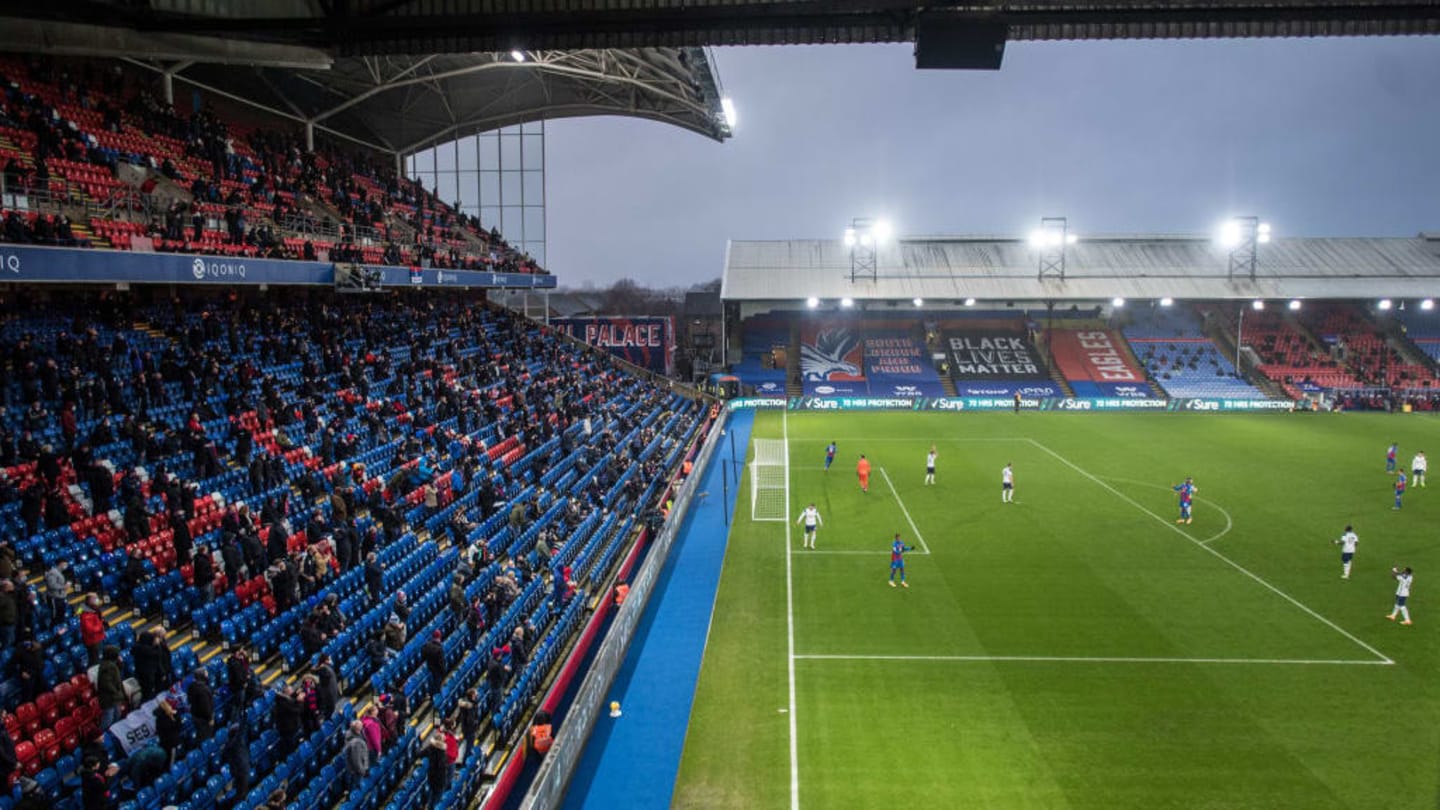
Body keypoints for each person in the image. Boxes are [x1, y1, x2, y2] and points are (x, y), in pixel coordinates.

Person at [96, 645, 124, 728]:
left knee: (117, 715)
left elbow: (120, 669)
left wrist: (120, 662)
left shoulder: (112, 664)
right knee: (108, 718)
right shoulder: (108, 666)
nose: (119, 655)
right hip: (109, 698)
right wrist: (115, 692)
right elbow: (106, 683)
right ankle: (101, 736)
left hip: (114, 697)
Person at [342, 719, 371, 793]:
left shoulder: (356, 734)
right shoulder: (355, 742)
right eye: (361, 726)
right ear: (357, 728)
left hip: (355, 767)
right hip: (356, 769)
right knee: (355, 786)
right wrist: (362, 770)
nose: (362, 727)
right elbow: (356, 759)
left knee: (354, 784)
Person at [187, 667, 214, 741]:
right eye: (206, 673)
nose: (207, 675)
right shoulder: (203, 690)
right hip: (203, 719)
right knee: (205, 737)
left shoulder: (192, 686)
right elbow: (205, 707)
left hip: (196, 716)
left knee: (200, 735)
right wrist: (210, 718)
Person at [43, 560, 68, 625]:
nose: (66, 566)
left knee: (61, 614)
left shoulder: (59, 572)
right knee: (55, 616)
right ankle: (54, 629)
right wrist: (63, 587)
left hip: (60, 597)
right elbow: (51, 585)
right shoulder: (53, 572)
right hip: (54, 598)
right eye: (64, 564)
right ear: (60, 564)